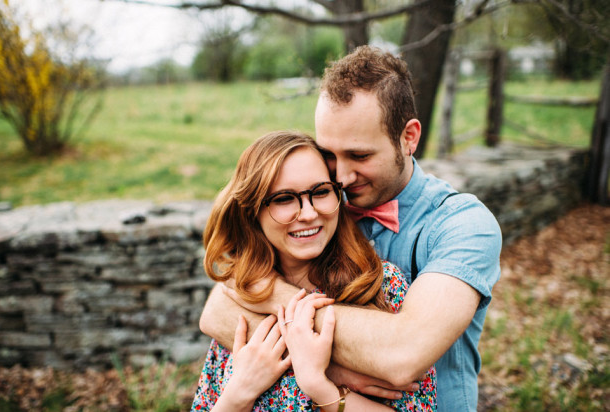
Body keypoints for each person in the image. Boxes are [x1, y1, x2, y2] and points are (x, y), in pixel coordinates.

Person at [200, 46, 502, 412]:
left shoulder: (463, 224)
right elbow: (218, 309)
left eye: (359, 156)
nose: (340, 177)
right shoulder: (319, 207)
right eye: (330, 154)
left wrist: (287, 311)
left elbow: (402, 356)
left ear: (409, 137)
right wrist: (333, 372)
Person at [191, 131, 437, 411]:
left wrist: (320, 387)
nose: (308, 213)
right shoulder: (242, 298)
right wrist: (238, 394)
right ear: (252, 211)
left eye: (320, 192)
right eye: (284, 198)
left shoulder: (381, 287)